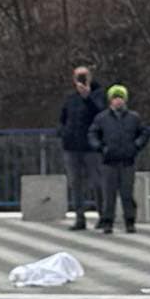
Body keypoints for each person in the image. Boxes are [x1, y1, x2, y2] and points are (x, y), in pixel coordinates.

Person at [88, 84, 150, 234]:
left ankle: (130, 221)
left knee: (127, 193)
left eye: (120, 98)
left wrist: (136, 146)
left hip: (127, 160)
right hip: (109, 161)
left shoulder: (134, 118)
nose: (118, 101)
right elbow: (92, 134)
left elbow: (144, 133)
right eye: (115, 98)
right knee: (109, 194)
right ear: (110, 100)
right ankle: (107, 221)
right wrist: (101, 148)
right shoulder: (102, 118)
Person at [58, 64, 106, 232]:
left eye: (84, 76)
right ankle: (80, 217)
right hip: (72, 145)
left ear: (90, 77)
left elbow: (101, 114)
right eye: (78, 77)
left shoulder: (98, 95)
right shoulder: (70, 98)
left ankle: (103, 216)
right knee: (76, 184)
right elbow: (63, 118)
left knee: (97, 182)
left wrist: (87, 98)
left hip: (91, 147)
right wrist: (63, 133)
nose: (81, 80)